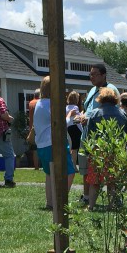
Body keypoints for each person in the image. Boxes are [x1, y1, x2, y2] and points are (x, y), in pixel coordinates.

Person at [33, 75, 76, 209]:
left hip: (41, 145)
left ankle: (50, 203)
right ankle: (61, 200)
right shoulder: (52, 104)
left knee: (49, 174)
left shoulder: (39, 103)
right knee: (70, 172)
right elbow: (61, 124)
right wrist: (70, 115)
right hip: (54, 143)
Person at [84, 89, 127, 209]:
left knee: (94, 181)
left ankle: (91, 206)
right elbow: (126, 135)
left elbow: (89, 136)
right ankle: (111, 204)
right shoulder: (122, 114)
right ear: (115, 99)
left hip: (98, 151)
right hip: (115, 150)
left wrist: (88, 151)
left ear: (101, 99)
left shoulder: (94, 114)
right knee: (112, 181)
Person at [66, 92, 84, 167]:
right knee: (75, 149)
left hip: (68, 128)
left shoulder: (66, 108)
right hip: (75, 128)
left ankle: (70, 164)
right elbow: (77, 121)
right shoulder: (75, 107)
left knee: (71, 147)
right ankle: (74, 166)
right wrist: (82, 115)